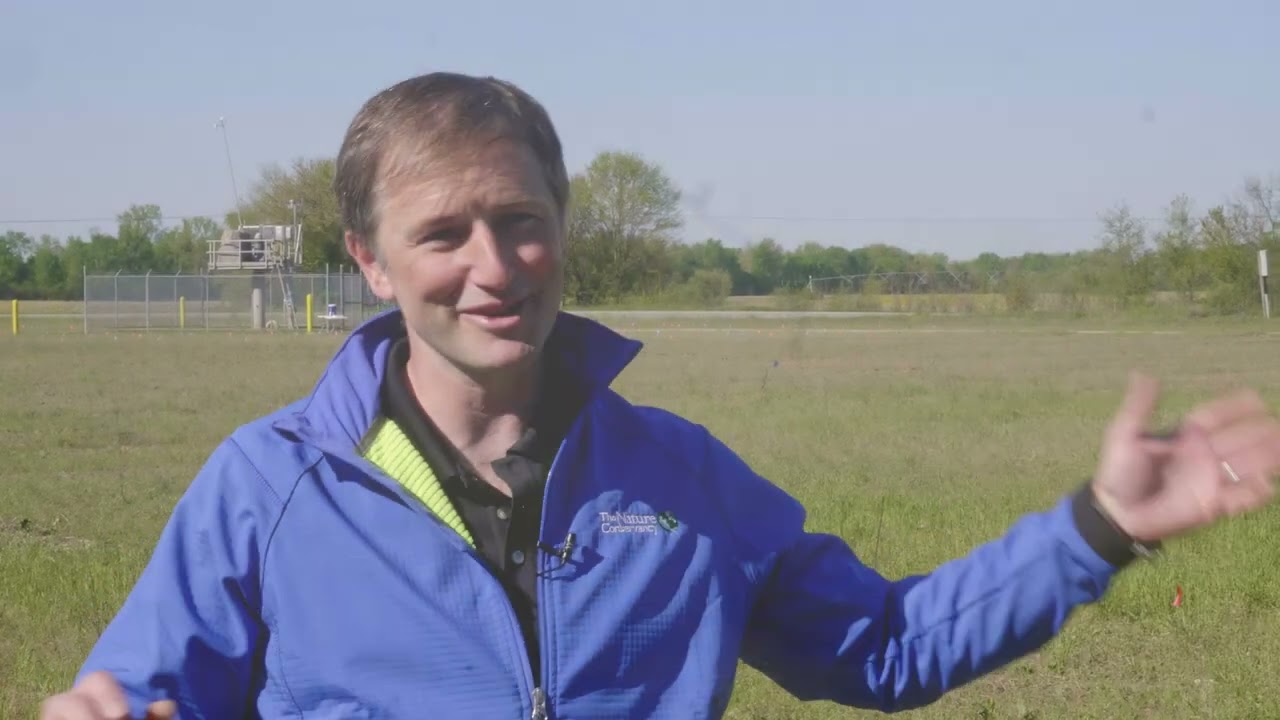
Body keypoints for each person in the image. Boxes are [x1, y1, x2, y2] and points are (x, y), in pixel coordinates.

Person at [42, 72, 1280, 720]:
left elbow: (888, 648)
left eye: (520, 222)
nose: (491, 266)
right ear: (366, 259)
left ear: (563, 230)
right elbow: (148, 698)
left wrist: (1097, 529)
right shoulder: (266, 489)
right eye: (442, 233)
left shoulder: (682, 481)